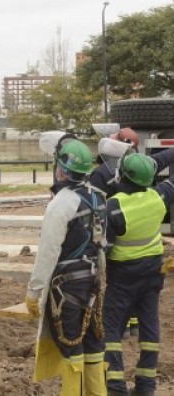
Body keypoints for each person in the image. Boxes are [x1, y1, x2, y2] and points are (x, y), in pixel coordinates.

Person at [25, 138, 107, 396]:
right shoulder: (99, 197)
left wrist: (34, 291)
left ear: (61, 170)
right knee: (93, 345)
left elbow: (48, 252)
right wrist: (100, 280)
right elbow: (100, 244)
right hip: (92, 282)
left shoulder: (62, 203)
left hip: (67, 289)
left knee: (71, 347)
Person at [103, 152, 174, 396]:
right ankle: (146, 387)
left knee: (111, 330)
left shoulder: (113, 207)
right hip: (153, 273)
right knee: (150, 327)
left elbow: (104, 247)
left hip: (122, 276)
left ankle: (116, 387)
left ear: (122, 175)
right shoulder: (158, 197)